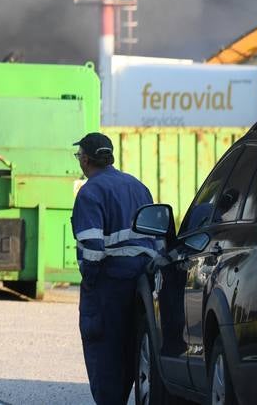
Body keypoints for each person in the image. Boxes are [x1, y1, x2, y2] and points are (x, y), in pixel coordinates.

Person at [70, 131, 156, 405]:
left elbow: (93, 248)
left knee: (103, 350)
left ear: (85, 159)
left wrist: (91, 280)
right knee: (132, 347)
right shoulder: (138, 186)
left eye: (78, 156)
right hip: (142, 281)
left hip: (108, 284)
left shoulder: (90, 191)